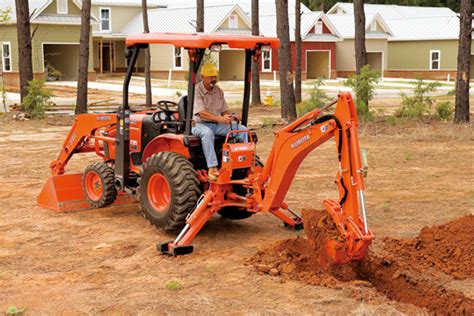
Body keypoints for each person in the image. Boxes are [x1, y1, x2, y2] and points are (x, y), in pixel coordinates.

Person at [192, 64, 248, 181]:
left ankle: (245, 162)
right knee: (207, 133)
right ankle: (212, 167)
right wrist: (220, 119)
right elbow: (201, 113)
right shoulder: (197, 91)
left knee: (241, 129)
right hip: (199, 124)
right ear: (203, 77)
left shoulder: (218, 91)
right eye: (210, 77)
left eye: (214, 77)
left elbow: (224, 111)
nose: (213, 79)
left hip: (217, 125)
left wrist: (231, 117)